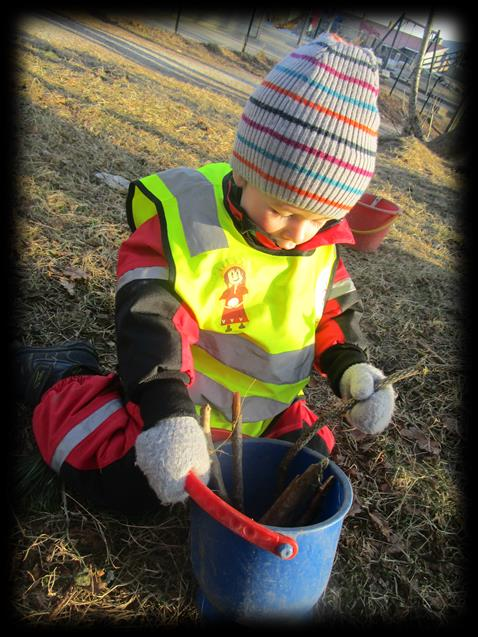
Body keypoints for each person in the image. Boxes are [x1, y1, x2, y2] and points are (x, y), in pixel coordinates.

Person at [15, 33, 395, 515]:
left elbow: (333, 312)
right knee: (121, 481)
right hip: (179, 398)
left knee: (309, 473)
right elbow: (150, 319)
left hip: (265, 415)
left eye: (320, 218)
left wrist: (352, 368)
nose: (300, 232)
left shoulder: (316, 243)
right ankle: (62, 378)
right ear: (243, 170)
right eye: (281, 210)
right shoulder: (189, 221)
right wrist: (167, 415)